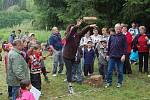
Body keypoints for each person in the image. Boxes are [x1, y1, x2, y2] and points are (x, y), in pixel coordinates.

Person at [63, 19, 96, 94]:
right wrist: (77, 26)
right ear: (69, 30)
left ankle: (72, 78)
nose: (73, 30)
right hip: (66, 56)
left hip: (73, 56)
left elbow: (83, 31)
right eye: (72, 29)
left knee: (72, 70)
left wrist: (90, 26)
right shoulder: (68, 36)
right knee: (69, 70)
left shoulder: (78, 36)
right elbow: (71, 33)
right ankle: (70, 86)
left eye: (74, 28)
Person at [106, 23, 127, 88]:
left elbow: (125, 47)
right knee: (109, 70)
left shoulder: (123, 37)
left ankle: (119, 82)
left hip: (120, 57)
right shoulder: (112, 36)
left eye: (119, 28)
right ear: (115, 29)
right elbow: (108, 46)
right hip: (112, 56)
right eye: (116, 28)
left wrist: (124, 55)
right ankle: (109, 82)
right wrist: (107, 54)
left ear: (120, 29)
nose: (117, 29)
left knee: (120, 71)